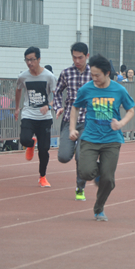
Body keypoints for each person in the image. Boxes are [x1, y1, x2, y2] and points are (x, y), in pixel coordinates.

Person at [69, 54, 135, 221]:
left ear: (107, 73)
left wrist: (120, 124)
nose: (94, 78)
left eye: (97, 75)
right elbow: (75, 108)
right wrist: (72, 129)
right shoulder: (86, 89)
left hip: (111, 140)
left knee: (107, 179)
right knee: (85, 172)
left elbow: (131, 110)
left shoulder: (119, 90)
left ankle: (99, 208)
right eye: (92, 74)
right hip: (90, 138)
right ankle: (102, 173)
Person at [53, 42, 93, 201]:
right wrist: (58, 107)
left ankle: (80, 187)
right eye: (74, 57)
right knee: (63, 156)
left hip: (88, 122)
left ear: (87, 56)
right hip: (69, 119)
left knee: (80, 156)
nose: (77, 61)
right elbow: (57, 93)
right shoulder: (66, 73)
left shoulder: (94, 74)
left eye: (80, 58)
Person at [15, 46, 57, 187]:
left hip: (44, 118)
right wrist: (17, 108)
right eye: (27, 60)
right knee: (24, 139)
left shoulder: (49, 76)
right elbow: (18, 89)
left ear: (39, 59)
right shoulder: (23, 76)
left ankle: (42, 177)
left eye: (32, 59)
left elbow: (56, 97)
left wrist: (49, 106)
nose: (29, 63)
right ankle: (31, 143)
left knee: (44, 150)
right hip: (28, 114)